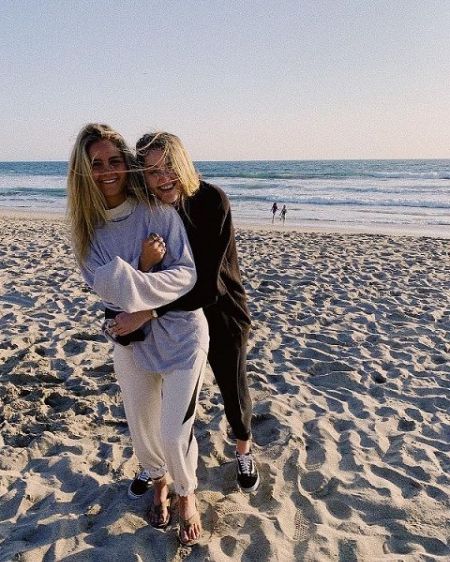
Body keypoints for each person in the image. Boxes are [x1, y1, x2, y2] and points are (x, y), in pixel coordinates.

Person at [67, 123, 209, 546]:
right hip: (130, 341)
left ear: (127, 166)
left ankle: (187, 494)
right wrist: (144, 269)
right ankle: (159, 481)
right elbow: (109, 291)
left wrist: (135, 295)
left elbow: (186, 275)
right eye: (96, 164)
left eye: (114, 161)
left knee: (173, 431)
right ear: (83, 171)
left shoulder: (158, 213)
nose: (107, 170)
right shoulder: (88, 231)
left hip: (183, 334)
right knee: (142, 428)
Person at [130, 131, 260, 494]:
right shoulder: (149, 208)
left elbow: (205, 284)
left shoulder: (211, 200)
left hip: (221, 308)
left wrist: (147, 312)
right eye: (152, 172)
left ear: (183, 162)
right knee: (160, 398)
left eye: (169, 166)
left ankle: (243, 450)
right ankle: (155, 463)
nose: (163, 178)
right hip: (172, 317)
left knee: (233, 388)